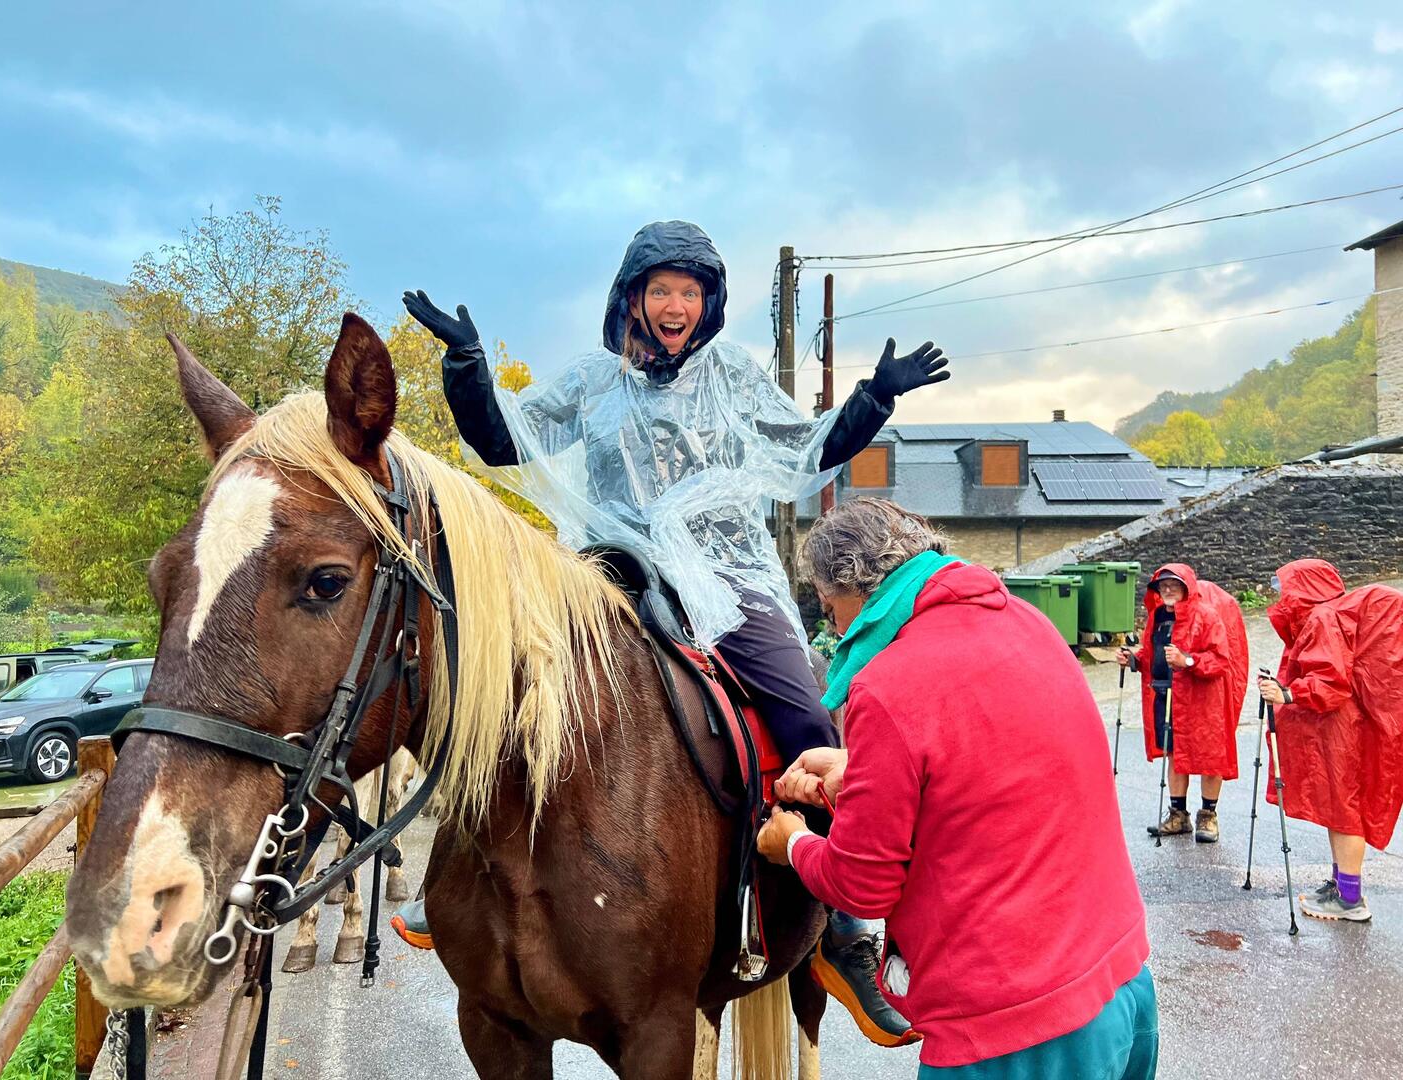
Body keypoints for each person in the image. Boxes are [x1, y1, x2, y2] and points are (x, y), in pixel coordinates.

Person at [396, 221, 952, 1040]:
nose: (675, 306)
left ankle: (842, 929)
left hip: (726, 576)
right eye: (661, 290)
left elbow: (804, 451)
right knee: (512, 691)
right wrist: (467, 367)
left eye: (690, 292)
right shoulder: (592, 382)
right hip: (612, 568)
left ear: (709, 303)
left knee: (806, 717)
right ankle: (460, 868)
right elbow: (501, 439)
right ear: (632, 297)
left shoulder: (731, 374)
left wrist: (874, 397)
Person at [760, 498, 1156, 1078]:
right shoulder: (1026, 620)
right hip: (1120, 977)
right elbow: (988, 764)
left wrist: (792, 842)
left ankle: (843, 951)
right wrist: (859, 771)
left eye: (829, 607)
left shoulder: (887, 685)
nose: (835, 627)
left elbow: (862, 885)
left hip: (1017, 1029)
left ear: (848, 592)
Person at [1258, 559, 1403, 923]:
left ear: (1303, 587)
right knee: (1339, 807)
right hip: (1343, 728)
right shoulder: (1334, 614)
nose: (1278, 594)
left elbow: (1330, 683)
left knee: (1344, 810)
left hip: (1339, 730)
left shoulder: (1324, 618)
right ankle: (1342, 886)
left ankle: (1350, 899)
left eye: (1283, 586)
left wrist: (1288, 694)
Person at [1117, 564, 1247, 843]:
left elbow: (1221, 661)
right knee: (1174, 752)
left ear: (1187, 587)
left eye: (1173, 585)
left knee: (1210, 755)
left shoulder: (1207, 616)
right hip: (1168, 695)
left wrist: (1188, 661)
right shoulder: (1158, 616)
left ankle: (1208, 816)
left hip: (1202, 699)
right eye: (1162, 585)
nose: (1167, 590)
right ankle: (1178, 815)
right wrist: (1134, 660)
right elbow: (1152, 654)